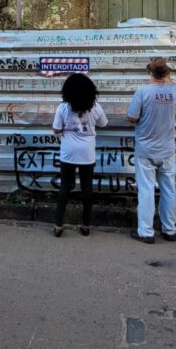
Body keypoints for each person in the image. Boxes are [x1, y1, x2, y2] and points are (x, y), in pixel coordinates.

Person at [127, 57, 176, 244]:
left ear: (150, 72)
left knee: (146, 191)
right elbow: (170, 86)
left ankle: (146, 232)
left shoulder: (142, 91)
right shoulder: (173, 92)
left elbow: (132, 117)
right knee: (169, 190)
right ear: (166, 74)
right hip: (167, 150)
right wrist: (166, 77)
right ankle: (170, 230)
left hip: (146, 149)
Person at [52, 72, 108, 238]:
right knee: (87, 188)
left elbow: (56, 129)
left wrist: (65, 128)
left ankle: (58, 225)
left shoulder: (63, 107)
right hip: (87, 153)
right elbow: (104, 124)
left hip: (68, 153)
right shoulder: (95, 106)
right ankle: (85, 225)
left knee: (65, 187)